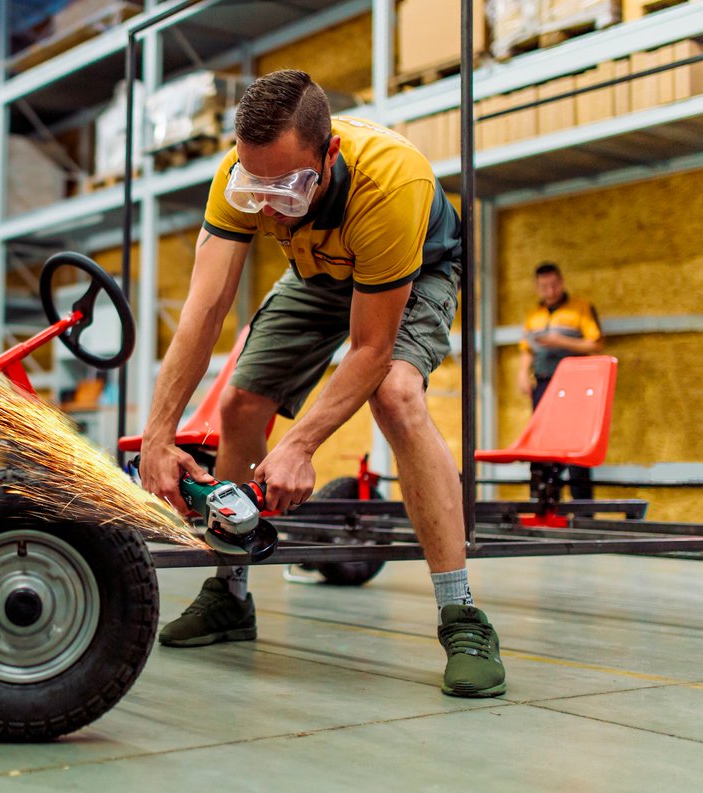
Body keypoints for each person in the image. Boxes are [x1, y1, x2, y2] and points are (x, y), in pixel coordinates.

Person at [139, 70, 505, 698]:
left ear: (329, 152)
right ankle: (228, 593)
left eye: (289, 186)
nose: (272, 204)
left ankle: (462, 615)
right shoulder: (238, 178)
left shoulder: (391, 183)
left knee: (395, 395)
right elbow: (203, 314)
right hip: (319, 272)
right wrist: (157, 435)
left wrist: (301, 445)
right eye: (259, 188)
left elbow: (369, 349)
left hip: (412, 271)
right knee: (240, 401)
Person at [517, 262, 603, 502]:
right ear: (537, 287)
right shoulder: (534, 316)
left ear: (562, 282)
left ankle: (583, 507)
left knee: (576, 447)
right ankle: (546, 505)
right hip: (544, 384)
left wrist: (560, 342)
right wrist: (523, 373)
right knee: (544, 446)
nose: (550, 291)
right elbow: (526, 349)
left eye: (554, 285)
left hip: (575, 385)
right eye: (544, 286)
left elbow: (595, 344)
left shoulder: (581, 309)